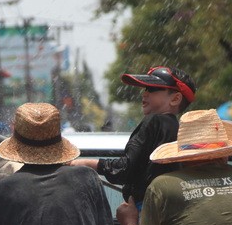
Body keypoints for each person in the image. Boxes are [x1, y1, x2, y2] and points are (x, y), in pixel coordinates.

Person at [72, 65, 195, 205]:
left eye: (152, 89)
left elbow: (124, 169)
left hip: (146, 209)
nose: (145, 94)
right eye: (145, 88)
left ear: (175, 98)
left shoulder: (153, 121)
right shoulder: (177, 128)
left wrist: (84, 163)